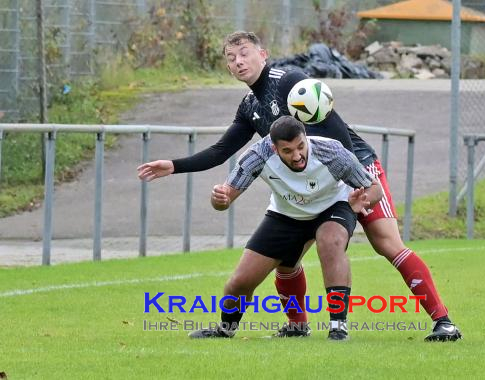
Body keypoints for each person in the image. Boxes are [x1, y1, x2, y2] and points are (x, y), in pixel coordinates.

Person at [137, 31, 461, 342]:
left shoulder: (289, 80)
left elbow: (336, 133)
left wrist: (356, 182)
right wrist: (175, 165)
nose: (238, 61)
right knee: (286, 258)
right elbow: (222, 151)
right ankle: (297, 326)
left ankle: (443, 321)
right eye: (231, 57)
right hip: (310, 181)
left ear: (262, 54)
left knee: (387, 243)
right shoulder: (250, 106)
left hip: (355, 167)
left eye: (245, 53)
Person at [189, 115, 381, 340]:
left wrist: (363, 199)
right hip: (286, 214)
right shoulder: (258, 155)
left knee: (331, 241)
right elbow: (225, 198)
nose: (297, 155)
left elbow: (374, 188)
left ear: (305, 138)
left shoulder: (332, 153)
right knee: (240, 282)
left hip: (333, 205)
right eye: (288, 151)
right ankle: (225, 330)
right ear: (274, 148)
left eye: (301, 146)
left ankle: (338, 327)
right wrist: (219, 200)